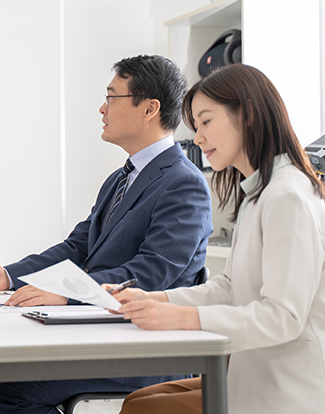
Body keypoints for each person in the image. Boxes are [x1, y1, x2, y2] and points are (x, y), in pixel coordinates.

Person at [0, 55, 213, 414]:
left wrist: (65, 294)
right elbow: (78, 247)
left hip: (145, 349)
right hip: (98, 332)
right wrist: (10, 276)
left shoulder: (184, 184)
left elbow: (152, 274)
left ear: (149, 109)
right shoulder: (121, 178)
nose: (101, 108)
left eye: (112, 97)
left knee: (9, 389)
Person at [116, 64, 325, 414]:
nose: (198, 138)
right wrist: (156, 299)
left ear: (248, 115)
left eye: (206, 122)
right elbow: (229, 287)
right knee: (139, 402)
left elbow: (283, 317)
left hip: (287, 387)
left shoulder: (287, 196)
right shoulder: (259, 192)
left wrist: (180, 319)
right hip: (251, 367)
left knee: (142, 410)